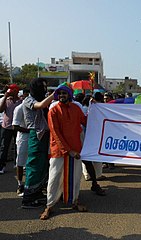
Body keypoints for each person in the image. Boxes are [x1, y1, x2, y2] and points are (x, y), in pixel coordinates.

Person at [40, 82, 87, 220]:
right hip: (59, 150)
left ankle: (74, 201)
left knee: (76, 176)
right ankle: (49, 205)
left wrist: (98, 110)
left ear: (69, 95)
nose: (61, 96)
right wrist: (68, 150)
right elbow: (55, 132)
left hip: (76, 148)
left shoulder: (76, 109)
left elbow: (85, 121)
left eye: (64, 93)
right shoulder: (53, 110)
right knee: (54, 177)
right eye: (59, 93)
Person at [22, 78, 54, 208]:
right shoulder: (28, 100)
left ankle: (37, 193)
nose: (45, 90)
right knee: (34, 165)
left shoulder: (41, 99)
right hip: (36, 135)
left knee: (42, 165)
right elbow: (40, 106)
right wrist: (53, 95)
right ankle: (28, 198)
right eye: (42, 87)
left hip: (44, 135)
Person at [0, 84, 22, 174]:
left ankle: (17, 164)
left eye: (11, 90)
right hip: (7, 127)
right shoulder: (6, 100)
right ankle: (1, 165)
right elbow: (0, 110)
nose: (9, 92)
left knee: (18, 146)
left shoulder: (20, 102)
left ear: (16, 91)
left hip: (17, 126)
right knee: (4, 147)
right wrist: (5, 97)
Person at [12, 89, 30, 196]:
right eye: (26, 96)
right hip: (23, 138)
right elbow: (15, 126)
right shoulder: (19, 108)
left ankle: (29, 184)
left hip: (32, 138)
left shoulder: (33, 107)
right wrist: (30, 130)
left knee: (30, 163)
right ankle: (19, 184)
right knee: (20, 162)